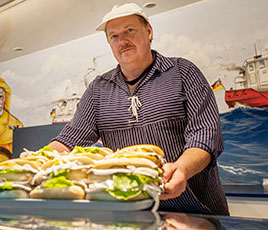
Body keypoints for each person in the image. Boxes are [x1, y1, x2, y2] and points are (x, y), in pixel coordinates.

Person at [49, 3, 229, 215]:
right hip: (132, 211)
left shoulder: (183, 72)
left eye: (129, 30)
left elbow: (205, 136)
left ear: (149, 31)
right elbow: (69, 140)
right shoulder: (98, 89)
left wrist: (182, 169)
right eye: (114, 36)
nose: (122, 41)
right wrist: (30, 163)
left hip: (197, 211)